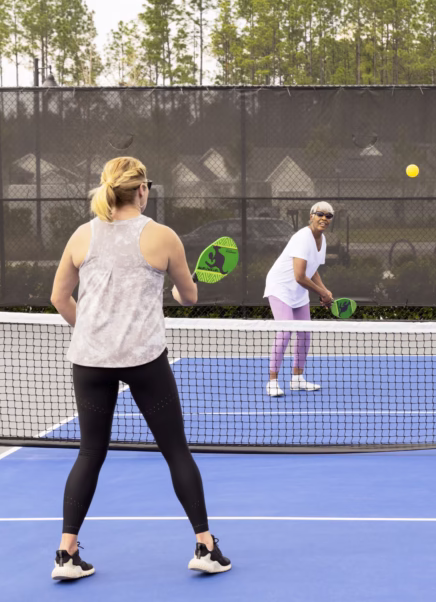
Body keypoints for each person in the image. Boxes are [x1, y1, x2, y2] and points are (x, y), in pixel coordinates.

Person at [49, 157, 231, 580]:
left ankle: (65, 553)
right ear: (142, 190)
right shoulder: (163, 237)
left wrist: (95, 333)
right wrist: (175, 285)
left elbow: (60, 298)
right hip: (146, 360)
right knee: (175, 450)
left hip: (89, 361)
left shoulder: (81, 235)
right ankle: (205, 546)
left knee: (90, 453)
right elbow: (188, 297)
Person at [263, 202, 335, 397]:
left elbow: (312, 269)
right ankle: (272, 381)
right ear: (311, 216)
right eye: (320, 214)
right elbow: (300, 276)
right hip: (281, 287)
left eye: (328, 216)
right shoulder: (302, 238)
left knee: (305, 333)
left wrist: (324, 290)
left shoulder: (322, 240)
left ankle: (297, 379)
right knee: (285, 332)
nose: (324, 218)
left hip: (298, 290)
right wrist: (322, 293)